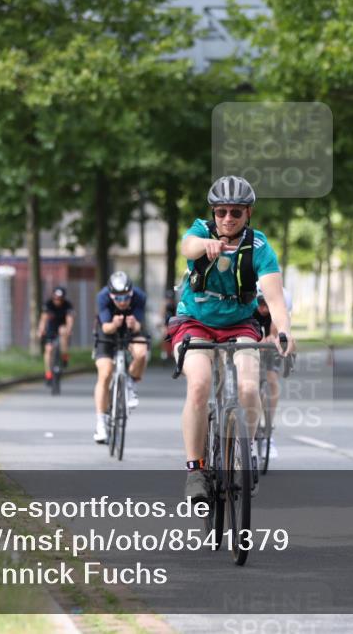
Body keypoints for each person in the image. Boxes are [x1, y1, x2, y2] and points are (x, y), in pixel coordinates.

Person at [165, 175, 295, 502]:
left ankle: (246, 452)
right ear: (213, 212)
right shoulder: (200, 232)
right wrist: (205, 246)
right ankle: (195, 469)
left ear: (248, 213)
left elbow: (275, 298)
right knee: (199, 383)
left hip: (240, 324)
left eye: (236, 212)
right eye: (221, 211)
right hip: (194, 321)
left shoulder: (260, 247)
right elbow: (186, 246)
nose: (227, 218)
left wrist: (283, 331)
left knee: (249, 386)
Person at [92, 271, 148, 443]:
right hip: (108, 331)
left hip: (130, 330)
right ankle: (101, 422)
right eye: (118, 299)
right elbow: (106, 327)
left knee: (141, 352)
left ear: (131, 293)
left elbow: (139, 325)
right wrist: (115, 324)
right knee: (105, 372)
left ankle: (130, 382)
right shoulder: (102, 297)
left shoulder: (139, 296)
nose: (122, 302)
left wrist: (134, 324)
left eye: (126, 298)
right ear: (111, 295)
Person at [253, 283, 293, 432]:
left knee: (271, 378)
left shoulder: (281, 303)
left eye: (266, 305)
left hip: (275, 333)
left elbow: (277, 330)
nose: (263, 308)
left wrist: (272, 337)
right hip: (252, 335)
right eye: (260, 304)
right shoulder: (250, 306)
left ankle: (268, 420)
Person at [37, 286, 74, 383]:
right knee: (48, 349)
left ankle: (64, 356)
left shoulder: (67, 305)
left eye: (60, 299)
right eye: (56, 298)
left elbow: (69, 319)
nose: (57, 301)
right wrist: (41, 330)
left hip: (62, 326)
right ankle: (48, 373)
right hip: (51, 328)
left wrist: (69, 329)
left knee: (63, 331)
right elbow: (43, 319)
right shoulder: (48, 304)